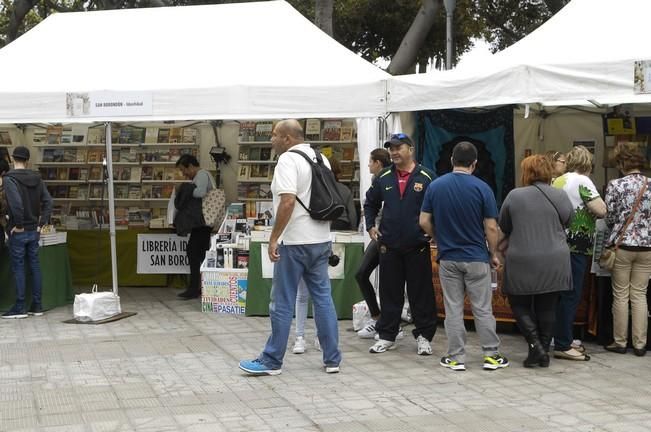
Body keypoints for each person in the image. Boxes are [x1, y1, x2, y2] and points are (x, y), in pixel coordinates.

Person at [239, 119, 341, 375]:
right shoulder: (321, 158)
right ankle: (332, 359)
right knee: (323, 300)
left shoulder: (287, 160)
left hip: (295, 241)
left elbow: (287, 202)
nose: (271, 140)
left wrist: (274, 237)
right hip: (320, 238)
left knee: (282, 302)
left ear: (287, 138)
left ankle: (272, 361)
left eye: (274, 135)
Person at [420, 141, 509, 371]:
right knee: (482, 308)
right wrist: (494, 253)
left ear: (452, 160)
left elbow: (423, 221)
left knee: (453, 308)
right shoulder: (483, 188)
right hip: (477, 257)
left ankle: (456, 357)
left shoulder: (436, 186)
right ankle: (491, 355)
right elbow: (491, 227)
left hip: (448, 257)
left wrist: (438, 238)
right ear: (475, 163)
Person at [364, 133, 437, 355]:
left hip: (417, 246)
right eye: (391, 149)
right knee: (389, 293)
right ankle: (387, 335)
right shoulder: (384, 176)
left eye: (399, 148)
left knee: (420, 294)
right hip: (389, 247)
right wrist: (370, 226)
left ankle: (424, 337)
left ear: (411, 150)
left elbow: (438, 206)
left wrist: (435, 233)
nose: (394, 152)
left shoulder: (427, 177)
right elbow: (370, 203)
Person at [498, 155, 573, 367]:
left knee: (518, 302)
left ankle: (536, 347)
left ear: (526, 173)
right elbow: (569, 220)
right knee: (547, 305)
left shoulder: (514, 196)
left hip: (523, 256)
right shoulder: (560, 195)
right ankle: (541, 352)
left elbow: (504, 225)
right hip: (555, 257)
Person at [551, 145, 606, 360]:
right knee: (571, 294)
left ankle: (558, 337)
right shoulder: (583, 181)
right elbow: (601, 209)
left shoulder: (559, 181)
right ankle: (564, 344)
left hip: (556, 243)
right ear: (587, 163)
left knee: (558, 293)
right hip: (577, 245)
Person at [603, 142, 651, 356]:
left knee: (621, 295)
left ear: (622, 163)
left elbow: (609, 217)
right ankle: (640, 344)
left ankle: (620, 342)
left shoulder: (615, 185)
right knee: (640, 295)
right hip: (647, 247)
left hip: (622, 246)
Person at [2, 146, 53, 319]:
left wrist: (19, 225)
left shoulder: (9, 179)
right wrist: (41, 224)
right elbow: (48, 202)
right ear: (28, 161)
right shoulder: (37, 178)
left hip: (20, 230)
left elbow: (16, 204)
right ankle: (37, 306)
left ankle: (20, 307)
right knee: (34, 266)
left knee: (18, 268)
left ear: (12, 159)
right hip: (34, 230)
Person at [356, 148, 391, 338]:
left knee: (387, 281)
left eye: (370, 161)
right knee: (362, 274)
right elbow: (371, 204)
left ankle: (388, 323)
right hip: (379, 234)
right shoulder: (376, 180)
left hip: (388, 235)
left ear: (378, 162)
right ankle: (378, 318)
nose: (368, 165)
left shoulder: (387, 178)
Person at [175, 154, 213, 300]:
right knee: (201, 254)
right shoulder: (200, 175)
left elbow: (201, 192)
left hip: (201, 222)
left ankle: (194, 288)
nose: (184, 174)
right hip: (202, 222)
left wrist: (185, 188)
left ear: (190, 166)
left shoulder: (201, 174)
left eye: (184, 170)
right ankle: (200, 287)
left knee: (193, 252)